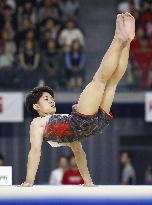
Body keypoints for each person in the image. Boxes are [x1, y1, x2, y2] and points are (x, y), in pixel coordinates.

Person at [21, 12, 135, 186]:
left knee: (111, 83)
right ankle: (119, 39)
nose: (52, 100)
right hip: (88, 122)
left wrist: (88, 182)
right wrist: (29, 181)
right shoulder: (38, 123)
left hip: (92, 125)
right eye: (46, 99)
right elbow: (35, 151)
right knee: (101, 81)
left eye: (51, 98)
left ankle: (126, 41)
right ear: (36, 106)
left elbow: (79, 154)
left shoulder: (65, 132)